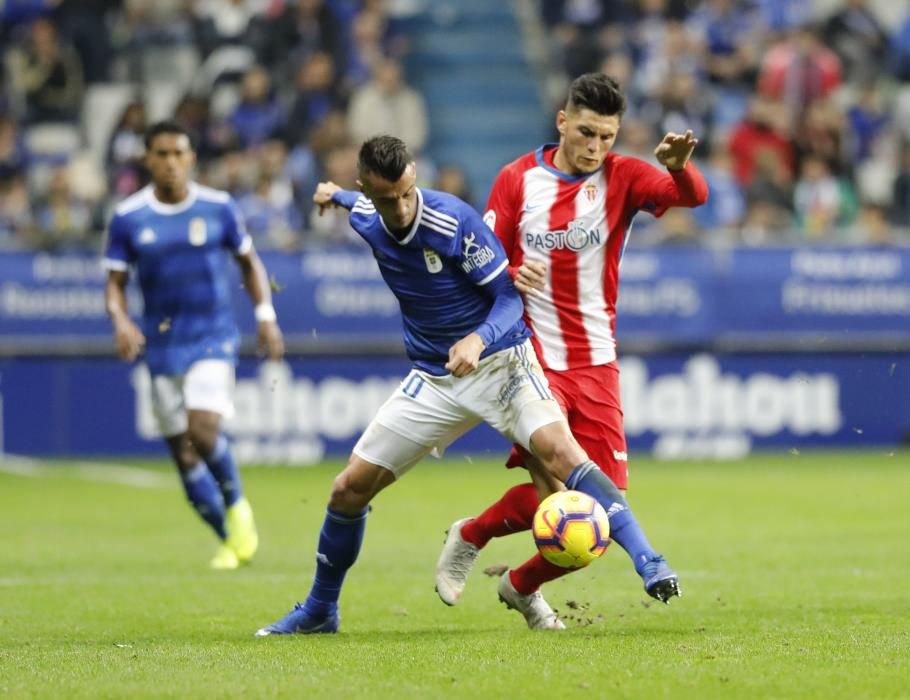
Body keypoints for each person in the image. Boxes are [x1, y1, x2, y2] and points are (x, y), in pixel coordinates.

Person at [255, 135, 678, 636]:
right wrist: (334, 195)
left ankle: (650, 560)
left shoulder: (451, 220)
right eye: (385, 198)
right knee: (348, 490)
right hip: (436, 377)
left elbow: (508, 298)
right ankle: (321, 611)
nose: (400, 205)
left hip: (501, 361)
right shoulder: (366, 214)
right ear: (366, 188)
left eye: (405, 192)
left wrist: (477, 341)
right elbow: (358, 204)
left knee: (561, 453)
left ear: (413, 174)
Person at [435, 72, 707, 626]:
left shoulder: (623, 176)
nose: (595, 147)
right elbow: (480, 268)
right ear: (562, 121)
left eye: (607, 136)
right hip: (530, 362)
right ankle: (645, 562)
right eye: (586, 132)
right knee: (564, 501)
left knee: (597, 520)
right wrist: (513, 271)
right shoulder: (516, 180)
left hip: (597, 361)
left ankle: (512, 576)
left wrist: (679, 167)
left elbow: (692, 196)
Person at [102, 121, 285, 570]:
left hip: (211, 336)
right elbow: (115, 283)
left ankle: (239, 509)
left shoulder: (218, 207)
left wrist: (265, 316)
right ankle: (229, 539)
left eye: (178, 153)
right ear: (147, 159)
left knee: (203, 432)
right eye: (161, 154)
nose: (170, 162)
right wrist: (121, 321)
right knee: (183, 456)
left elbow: (249, 263)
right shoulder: (128, 217)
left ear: (191, 158)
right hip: (161, 345)